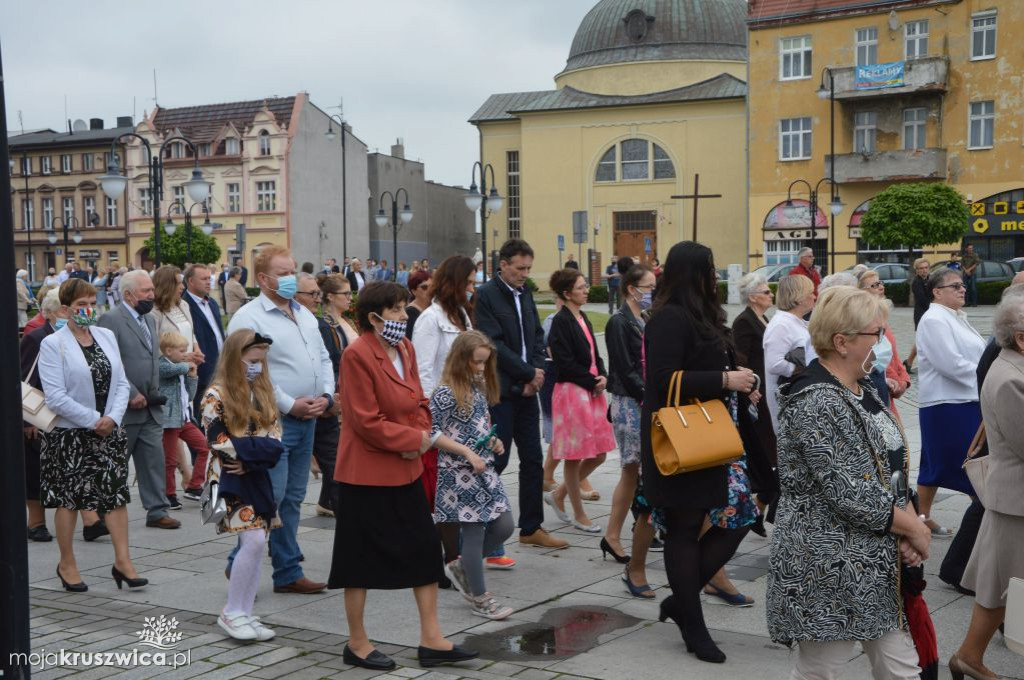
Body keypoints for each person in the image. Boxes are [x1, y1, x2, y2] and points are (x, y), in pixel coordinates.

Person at [767, 286, 931, 679]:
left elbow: (889, 470)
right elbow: (850, 492)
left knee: (902, 669)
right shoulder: (817, 400)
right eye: (875, 333)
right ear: (841, 342)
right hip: (828, 565)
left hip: (873, 564)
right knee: (821, 671)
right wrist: (916, 531)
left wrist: (908, 523)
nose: (884, 341)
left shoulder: (861, 387)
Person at [328, 282, 479, 672]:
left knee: (425, 551)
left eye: (401, 308)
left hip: (406, 466)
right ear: (373, 316)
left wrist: (422, 437)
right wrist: (414, 439)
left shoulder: (405, 348)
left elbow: (418, 401)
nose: (402, 316)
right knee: (358, 560)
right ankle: (357, 643)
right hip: (367, 472)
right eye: (394, 310)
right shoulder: (357, 354)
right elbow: (364, 421)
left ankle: (432, 640)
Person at [642, 241, 762, 664]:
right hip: (681, 439)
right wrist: (725, 380)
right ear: (693, 273)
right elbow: (661, 379)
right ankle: (694, 625)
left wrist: (742, 382)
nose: (716, 277)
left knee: (741, 515)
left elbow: (714, 369)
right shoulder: (669, 318)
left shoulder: (703, 316)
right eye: (710, 270)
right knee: (683, 527)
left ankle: (682, 602)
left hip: (713, 437)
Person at [227, 245, 334, 594]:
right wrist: (289, 404)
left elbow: (322, 357)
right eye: (283, 273)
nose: (291, 278)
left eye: (293, 271)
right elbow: (249, 372)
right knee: (269, 495)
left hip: (310, 418)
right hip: (273, 421)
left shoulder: (303, 313)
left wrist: (327, 396)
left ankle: (287, 571)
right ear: (263, 278)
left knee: (292, 497)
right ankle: (237, 561)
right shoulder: (249, 317)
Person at [38, 278, 147, 593]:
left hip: (109, 432)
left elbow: (122, 382)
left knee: (115, 495)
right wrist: (93, 419)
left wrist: (112, 417)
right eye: (80, 305)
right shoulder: (53, 344)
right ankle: (67, 563)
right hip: (70, 435)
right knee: (69, 500)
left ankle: (123, 561)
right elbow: (55, 397)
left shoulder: (106, 335)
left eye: (91, 303)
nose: (87, 310)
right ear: (65, 309)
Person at [474, 239, 569, 550]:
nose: (524, 274)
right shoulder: (487, 295)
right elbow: (492, 344)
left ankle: (532, 527)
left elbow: (537, 337)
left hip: (529, 389)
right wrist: (527, 374)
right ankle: (477, 523)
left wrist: (538, 372)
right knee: (496, 460)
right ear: (503, 264)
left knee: (532, 459)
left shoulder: (525, 292)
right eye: (519, 268)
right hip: (501, 390)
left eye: (528, 268)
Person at [950, 292, 1024, 680]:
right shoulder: (1010, 377)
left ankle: (968, 657)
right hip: (1016, 500)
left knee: (1003, 588)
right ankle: (968, 657)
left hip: (1013, 498)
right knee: (1001, 588)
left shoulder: (1015, 368)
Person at [429, 331, 515, 620]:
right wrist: (466, 452)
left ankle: (463, 567)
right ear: (460, 359)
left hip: (483, 470)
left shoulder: (475, 389)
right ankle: (480, 597)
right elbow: (432, 433)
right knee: (476, 531)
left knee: (504, 525)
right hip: (458, 473)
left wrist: (493, 441)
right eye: (476, 362)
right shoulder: (444, 392)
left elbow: (478, 427)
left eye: (484, 363)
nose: (480, 369)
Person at [202, 329, 280, 642]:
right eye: (251, 358)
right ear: (237, 357)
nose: (257, 365)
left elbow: (275, 441)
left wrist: (250, 458)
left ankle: (244, 611)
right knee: (254, 541)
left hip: (253, 475)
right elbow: (217, 440)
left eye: (261, 359)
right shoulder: (216, 395)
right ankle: (233, 611)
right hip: (227, 479)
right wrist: (252, 451)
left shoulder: (263, 393)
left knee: (258, 541)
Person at [21, 289, 107, 543]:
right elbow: (25, 380)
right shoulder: (39, 338)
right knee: (36, 471)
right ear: (54, 311)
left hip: (74, 415)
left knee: (76, 469)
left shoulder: (82, 337)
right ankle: (36, 522)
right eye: (66, 308)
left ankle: (91, 521)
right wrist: (27, 421)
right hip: (42, 417)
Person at [97, 270, 180, 529]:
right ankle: (104, 511)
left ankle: (157, 510)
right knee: (117, 462)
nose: (152, 295)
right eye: (146, 291)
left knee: (153, 461)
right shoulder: (111, 319)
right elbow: (110, 362)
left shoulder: (148, 319)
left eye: (152, 290)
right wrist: (131, 393)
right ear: (129, 294)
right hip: (125, 407)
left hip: (151, 407)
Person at [915, 267, 986, 537]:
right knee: (970, 465)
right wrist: (986, 377)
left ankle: (922, 517)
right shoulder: (934, 319)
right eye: (955, 286)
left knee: (933, 464)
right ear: (937, 292)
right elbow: (950, 364)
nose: (962, 289)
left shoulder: (953, 316)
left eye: (963, 284)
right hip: (948, 404)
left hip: (961, 399)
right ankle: (983, 523)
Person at [544, 268, 615, 532]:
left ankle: (558, 494)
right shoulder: (560, 321)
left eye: (586, 286)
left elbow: (596, 355)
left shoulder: (583, 315)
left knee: (600, 453)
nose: (586, 290)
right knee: (575, 457)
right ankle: (579, 514)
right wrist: (591, 381)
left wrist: (604, 376)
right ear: (567, 293)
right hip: (573, 394)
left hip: (592, 392)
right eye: (581, 287)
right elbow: (563, 363)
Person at [603, 264, 658, 596]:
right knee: (630, 468)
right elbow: (624, 366)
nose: (651, 291)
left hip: (644, 399)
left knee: (635, 469)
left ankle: (618, 533)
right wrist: (647, 396)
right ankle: (612, 533)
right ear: (630, 288)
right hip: (629, 401)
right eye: (647, 286)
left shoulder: (647, 319)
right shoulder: (619, 321)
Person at [151, 265, 201, 508]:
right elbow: (158, 351)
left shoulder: (184, 306)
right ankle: (173, 486)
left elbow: (190, 335)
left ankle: (190, 481)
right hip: (171, 373)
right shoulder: (155, 313)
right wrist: (182, 363)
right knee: (170, 442)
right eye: (179, 283)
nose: (183, 286)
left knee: (187, 421)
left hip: (187, 370)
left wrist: (196, 351)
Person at [732, 272, 779, 537]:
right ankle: (755, 507)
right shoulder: (744, 322)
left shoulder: (762, 317)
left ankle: (758, 507)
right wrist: (750, 389)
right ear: (753, 297)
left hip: (766, 394)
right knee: (764, 456)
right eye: (766, 292)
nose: (771, 295)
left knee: (771, 456)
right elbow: (741, 359)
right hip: (757, 397)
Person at [311, 273, 358, 516]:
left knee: (337, 455)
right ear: (330, 296)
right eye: (346, 294)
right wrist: (334, 395)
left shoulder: (342, 321)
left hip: (344, 390)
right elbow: (330, 362)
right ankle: (337, 504)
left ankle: (326, 501)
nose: (350, 298)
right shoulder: (324, 324)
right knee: (336, 456)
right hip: (335, 393)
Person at [157, 332, 210, 505]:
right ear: (169, 351)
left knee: (204, 447)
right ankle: (169, 494)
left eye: (185, 350)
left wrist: (193, 377)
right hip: (169, 421)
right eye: (182, 351)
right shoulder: (162, 365)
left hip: (184, 419)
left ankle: (195, 485)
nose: (185, 354)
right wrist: (189, 365)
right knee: (170, 460)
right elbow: (169, 370)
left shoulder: (181, 366)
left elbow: (189, 396)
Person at [412, 255, 476, 397]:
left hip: (466, 401)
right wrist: (431, 412)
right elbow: (422, 372)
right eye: (468, 283)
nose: (472, 289)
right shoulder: (430, 318)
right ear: (454, 283)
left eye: (474, 283)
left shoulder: (463, 314)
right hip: (442, 407)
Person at [763, 274, 817, 430]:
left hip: (798, 397)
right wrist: (802, 370)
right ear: (799, 297)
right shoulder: (781, 325)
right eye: (810, 293)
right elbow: (774, 364)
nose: (814, 297)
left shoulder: (795, 321)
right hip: (787, 400)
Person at [857, 269, 911, 417]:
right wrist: (896, 381)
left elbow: (894, 355)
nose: (881, 287)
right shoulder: (866, 321)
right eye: (874, 285)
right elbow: (878, 359)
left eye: (880, 283)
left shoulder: (882, 317)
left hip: (889, 387)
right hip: (881, 387)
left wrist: (904, 379)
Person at [182, 263, 225, 420]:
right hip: (202, 370)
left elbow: (218, 333)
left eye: (210, 278)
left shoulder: (211, 303)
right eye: (204, 278)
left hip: (220, 368)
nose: (209, 282)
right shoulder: (184, 305)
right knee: (202, 417)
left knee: (219, 416)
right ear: (191, 281)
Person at [905, 258, 931, 372]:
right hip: (922, 313)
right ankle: (911, 362)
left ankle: (908, 362)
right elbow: (923, 300)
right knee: (922, 340)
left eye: (926, 268)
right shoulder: (916, 282)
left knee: (922, 340)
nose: (924, 270)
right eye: (921, 268)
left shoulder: (931, 279)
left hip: (931, 312)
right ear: (917, 271)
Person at [405, 270, 432, 339]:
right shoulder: (410, 313)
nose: (430, 290)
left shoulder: (434, 308)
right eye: (424, 287)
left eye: (432, 286)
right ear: (414, 291)